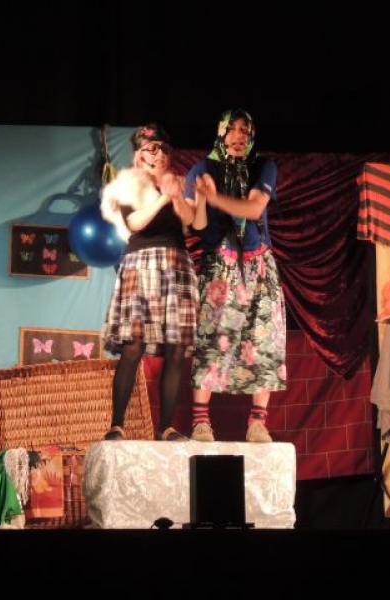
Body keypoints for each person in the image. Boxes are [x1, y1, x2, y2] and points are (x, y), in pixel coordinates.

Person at [185, 108, 286, 443]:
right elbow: (198, 225)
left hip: (258, 264)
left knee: (263, 338)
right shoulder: (202, 169)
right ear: (221, 132)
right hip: (220, 263)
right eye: (232, 129)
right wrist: (203, 199)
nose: (238, 135)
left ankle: (257, 423)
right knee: (211, 338)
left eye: (245, 129)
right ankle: (201, 422)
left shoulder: (263, 166)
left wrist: (216, 197)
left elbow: (254, 208)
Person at [99, 123, 198, 441]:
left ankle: (166, 427)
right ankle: (117, 424)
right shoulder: (128, 185)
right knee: (134, 345)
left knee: (176, 348)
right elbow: (135, 222)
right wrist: (162, 198)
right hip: (142, 263)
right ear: (138, 154)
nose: (157, 156)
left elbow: (191, 223)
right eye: (150, 150)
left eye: (163, 150)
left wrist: (177, 196)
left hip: (176, 264)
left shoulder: (179, 183)